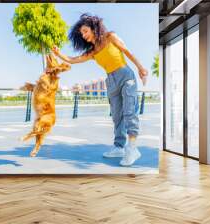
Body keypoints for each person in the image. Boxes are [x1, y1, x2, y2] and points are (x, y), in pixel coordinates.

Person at [52, 13, 148, 166]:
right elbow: (73, 60)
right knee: (117, 116)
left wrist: (141, 68)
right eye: (81, 34)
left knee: (129, 112)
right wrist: (59, 54)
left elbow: (127, 51)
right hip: (111, 81)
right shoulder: (92, 51)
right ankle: (119, 147)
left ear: (94, 28)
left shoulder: (110, 36)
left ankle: (132, 149)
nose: (83, 36)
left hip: (125, 75)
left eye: (85, 31)